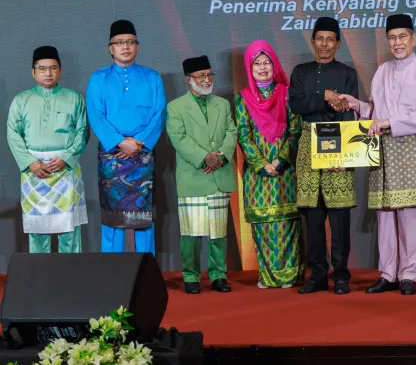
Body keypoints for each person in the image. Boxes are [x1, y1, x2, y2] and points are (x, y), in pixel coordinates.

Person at [341, 14, 416, 296]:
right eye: (392, 38)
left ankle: (409, 275)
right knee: (384, 213)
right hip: (381, 148)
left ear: (413, 38)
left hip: (409, 147)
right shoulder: (382, 71)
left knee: (409, 212)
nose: (397, 43)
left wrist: (390, 122)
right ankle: (387, 274)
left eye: (402, 37)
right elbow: (375, 110)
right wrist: (357, 105)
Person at [289, 16, 359, 295]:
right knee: (313, 216)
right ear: (313, 41)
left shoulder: (347, 73)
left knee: (340, 217)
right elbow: (296, 104)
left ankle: (341, 275)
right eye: (320, 38)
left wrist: (343, 155)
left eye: (330, 39)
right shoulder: (300, 71)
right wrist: (326, 96)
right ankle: (317, 274)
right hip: (308, 143)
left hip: (339, 143)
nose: (325, 44)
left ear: (338, 44)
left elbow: (350, 112)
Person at [86, 19, 166, 254]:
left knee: (144, 217)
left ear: (137, 46)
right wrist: (120, 142)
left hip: (143, 154)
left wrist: (139, 143)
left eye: (130, 42)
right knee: (113, 218)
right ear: (110, 48)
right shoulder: (99, 78)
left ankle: (146, 269)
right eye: (119, 42)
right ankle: (111, 271)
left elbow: (159, 114)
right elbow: (96, 115)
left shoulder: (152, 77)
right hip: (112, 155)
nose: (125, 46)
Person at [6, 46, 90, 253]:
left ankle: (70, 271)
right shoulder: (21, 100)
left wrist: (66, 157)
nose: (48, 73)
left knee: (69, 228)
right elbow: (13, 135)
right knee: (37, 230)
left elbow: (82, 131)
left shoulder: (74, 98)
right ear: (33, 72)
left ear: (60, 70)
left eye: (53, 68)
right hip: (34, 171)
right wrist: (31, 163)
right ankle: (39, 272)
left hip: (66, 169)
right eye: (42, 69)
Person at [236, 40, 304, 289]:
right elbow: (243, 135)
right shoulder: (242, 98)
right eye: (257, 63)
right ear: (250, 67)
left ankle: (291, 275)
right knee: (263, 225)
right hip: (258, 174)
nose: (263, 68)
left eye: (267, 62)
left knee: (287, 223)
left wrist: (281, 160)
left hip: (286, 170)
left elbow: (295, 130)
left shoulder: (287, 93)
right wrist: (262, 164)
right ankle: (267, 276)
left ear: (274, 65)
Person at [166, 56, 237, 294]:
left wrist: (221, 157)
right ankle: (191, 276)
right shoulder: (176, 107)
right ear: (188, 79)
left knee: (218, 232)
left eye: (209, 75)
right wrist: (204, 157)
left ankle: (218, 275)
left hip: (219, 174)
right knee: (191, 233)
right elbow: (178, 138)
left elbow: (231, 132)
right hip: (193, 175)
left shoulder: (222, 104)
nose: (207, 80)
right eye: (201, 76)